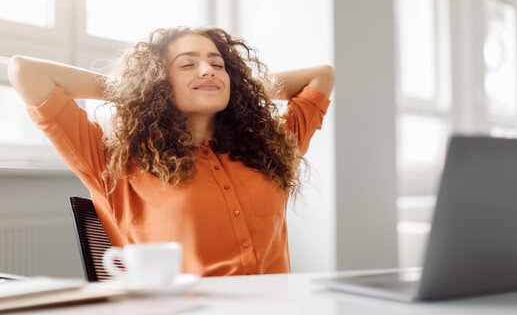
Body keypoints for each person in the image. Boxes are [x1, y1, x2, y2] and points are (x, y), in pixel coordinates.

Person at [8, 26, 334, 276]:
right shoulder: (114, 162)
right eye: (187, 65)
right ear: (158, 82)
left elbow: (322, 76)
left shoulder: (268, 149)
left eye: (218, 65)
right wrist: (138, 92)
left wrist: (242, 91)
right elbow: (25, 71)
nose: (207, 70)